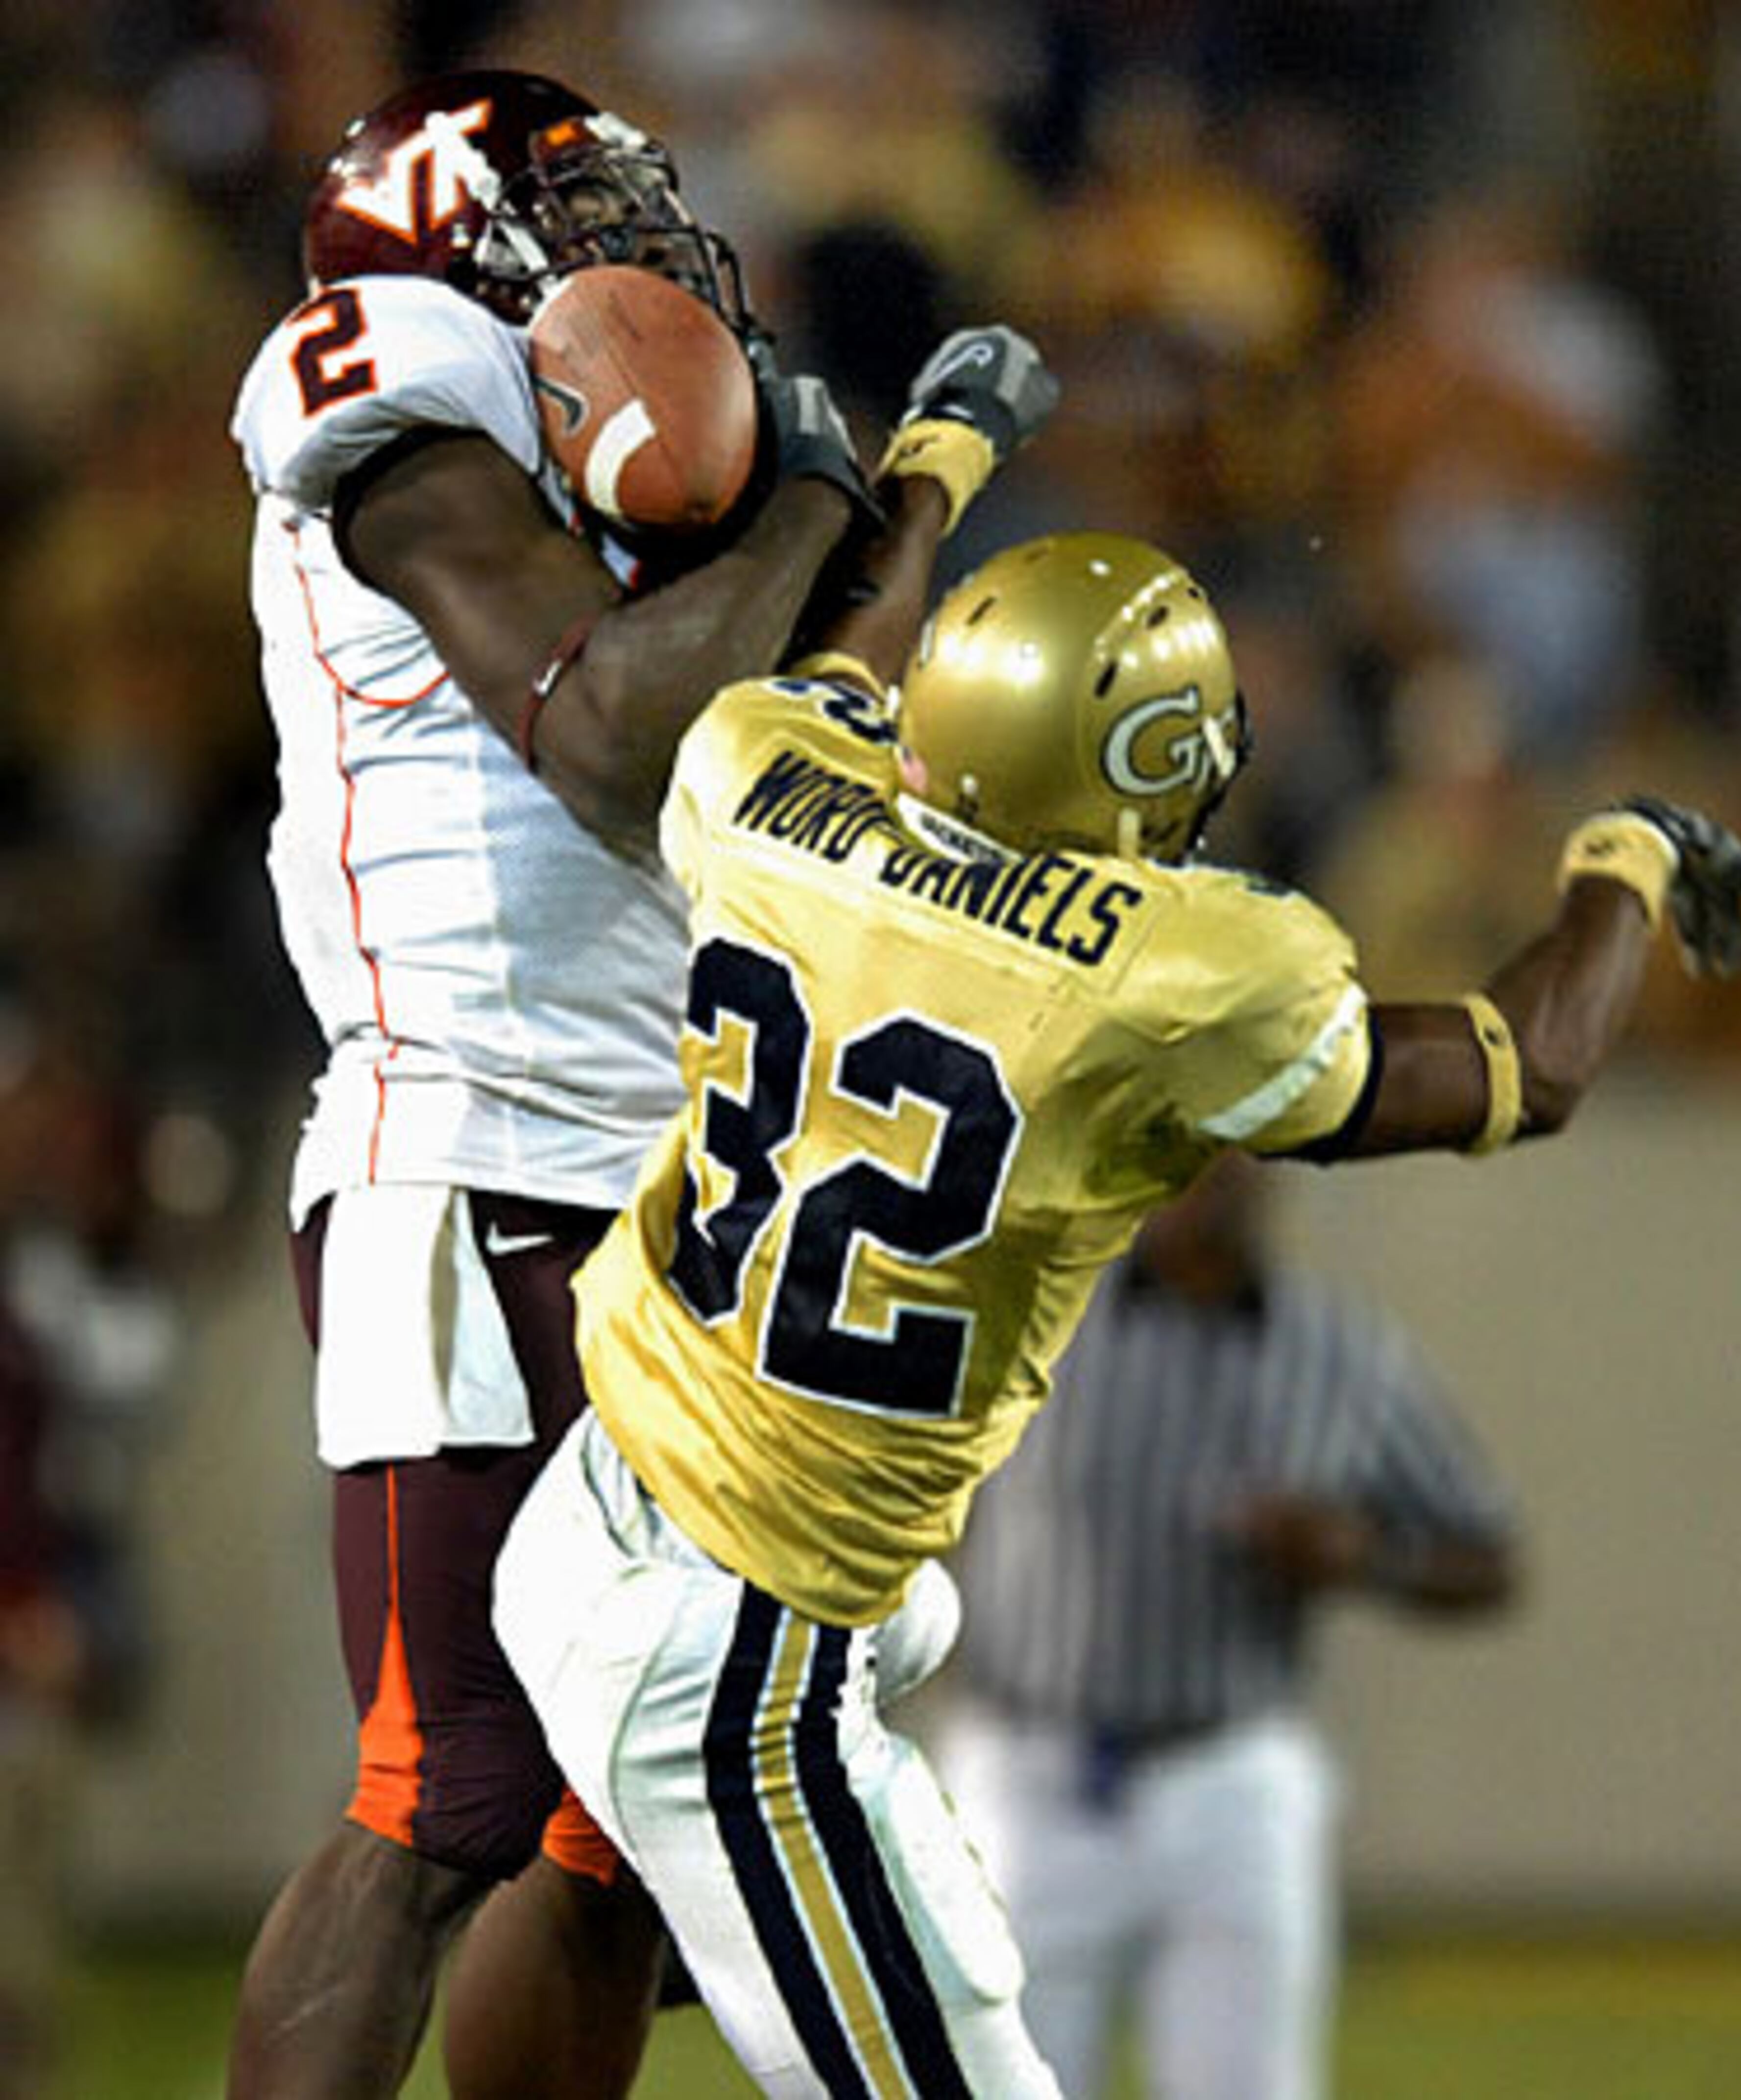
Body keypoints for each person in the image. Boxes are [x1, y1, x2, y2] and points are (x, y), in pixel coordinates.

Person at [490, 528, 1741, 2096]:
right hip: (739, 1646)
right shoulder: (1168, 978)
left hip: (590, 1506)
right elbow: (1526, 1066)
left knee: (662, 1827)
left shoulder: (757, 777)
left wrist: (936, 467)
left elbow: (835, 658)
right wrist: (1621, 861)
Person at [225, 66, 1055, 2100]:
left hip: (675, 1192)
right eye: (569, 207)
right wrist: (820, 490)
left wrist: (921, 482)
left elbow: (800, 705)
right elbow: (611, 745)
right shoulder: (393, 380)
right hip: (476, 1141)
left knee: (619, 1825)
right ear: (453, 234)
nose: (629, 244)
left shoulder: (637, 421)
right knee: (444, 1802)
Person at [933, 1148, 1520, 2100]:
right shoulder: (1044, 1321)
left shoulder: (1339, 1354)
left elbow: (1490, 1553)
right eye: (1189, 1150)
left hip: (1231, 1773)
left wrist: (1363, 1552)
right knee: (1001, 2081)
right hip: (1027, 1771)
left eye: (1239, 1153)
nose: (1210, 1178)